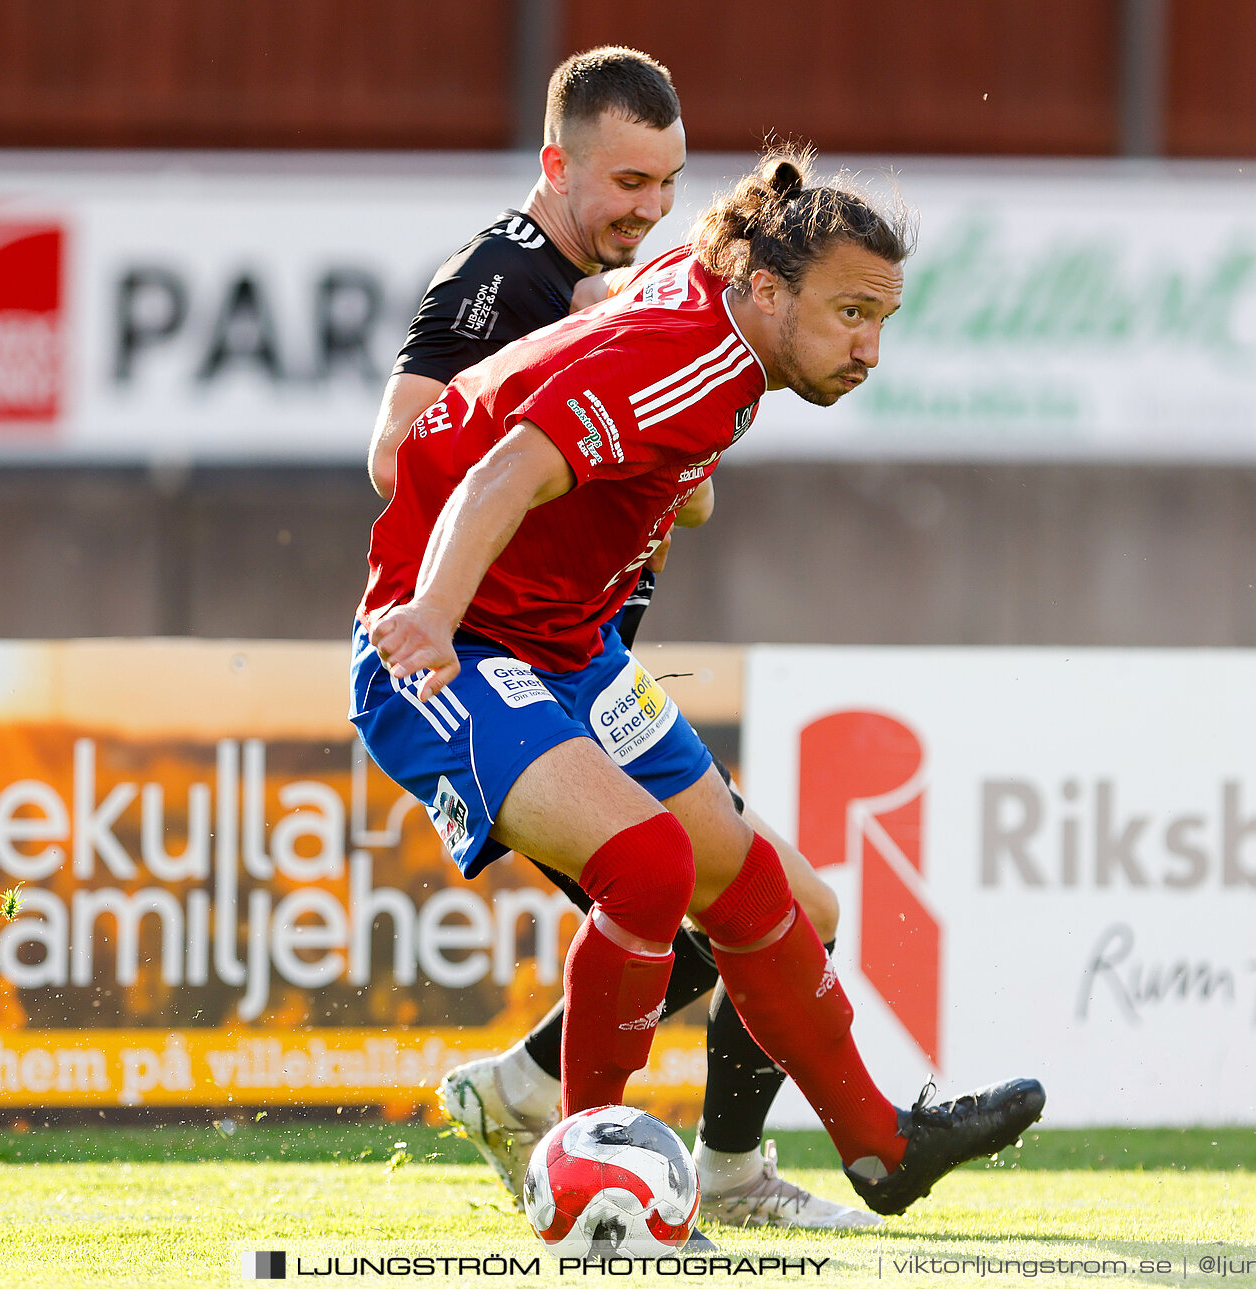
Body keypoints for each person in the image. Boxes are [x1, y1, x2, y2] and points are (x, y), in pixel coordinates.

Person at [351, 148, 1045, 1219]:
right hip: (454, 645)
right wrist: (433, 614)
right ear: (765, 291)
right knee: (647, 861)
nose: (867, 348)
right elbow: (505, 470)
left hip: (574, 650)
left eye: (881, 321)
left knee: (767, 894)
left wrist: (634, 423)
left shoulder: (718, 307)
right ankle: (585, 1171)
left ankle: (880, 1145)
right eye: (849, 313)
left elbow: (600, 308)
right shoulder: (693, 358)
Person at [367, 48, 868, 1228]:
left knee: (798, 913)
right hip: (508, 664)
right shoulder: (508, 276)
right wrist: (551, 425)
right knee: (691, 905)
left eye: (668, 184)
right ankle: (580, 1133)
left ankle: (585, 1117)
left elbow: (671, 484)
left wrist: (651, 467)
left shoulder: (650, 300)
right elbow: (400, 452)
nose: (650, 211)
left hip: (592, 661)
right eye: (628, 183)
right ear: (558, 165)